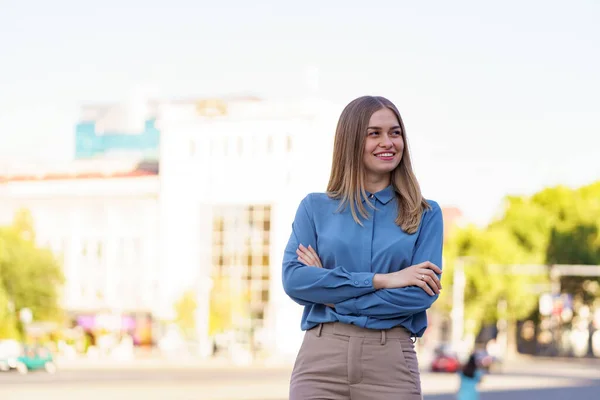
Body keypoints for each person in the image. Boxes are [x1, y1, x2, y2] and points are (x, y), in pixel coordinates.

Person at [282, 95, 444, 400]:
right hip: (320, 365)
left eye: (395, 133)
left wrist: (330, 295)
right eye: (375, 133)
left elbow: (418, 296)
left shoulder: (426, 214)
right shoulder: (314, 208)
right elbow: (295, 281)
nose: (388, 142)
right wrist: (382, 280)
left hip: (390, 366)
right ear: (351, 140)